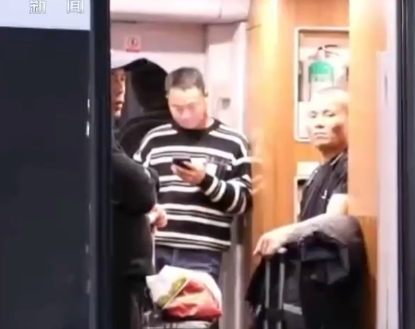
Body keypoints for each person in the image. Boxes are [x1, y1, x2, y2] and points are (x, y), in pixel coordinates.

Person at [133, 67, 253, 283]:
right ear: (167, 100)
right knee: (149, 306)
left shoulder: (233, 142)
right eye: (177, 108)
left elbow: (242, 202)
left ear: (206, 97)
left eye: (192, 106)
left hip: (202, 252)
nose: (185, 114)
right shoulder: (154, 139)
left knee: (197, 306)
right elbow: (134, 189)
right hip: (155, 247)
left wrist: (205, 181)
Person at [254, 88, 350, 256]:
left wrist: (285, 234)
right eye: (313, 116)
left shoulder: (350, 166)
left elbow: (333, 223)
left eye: (329, 115)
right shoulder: (316, 175)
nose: (319, 123)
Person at [110, 57, 160, 329]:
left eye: (123, 79)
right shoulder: (94, 136)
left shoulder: (109, 133)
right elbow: (141, 189)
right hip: (114, 275)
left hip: (126, 276)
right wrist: (148, 176)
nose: (120, 89)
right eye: (112, 78)